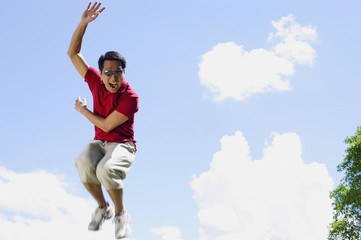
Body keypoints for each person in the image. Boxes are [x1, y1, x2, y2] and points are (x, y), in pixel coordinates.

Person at [67, 2, 138, 239]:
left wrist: (83, 111)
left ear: (123, 73)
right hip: (100, 144)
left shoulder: (130, 97)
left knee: (106, 170)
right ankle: (103, 207)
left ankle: (120, 214)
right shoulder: (95, 82)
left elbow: (107, 125)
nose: (113, 77)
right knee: (84, 165)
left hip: (123, 144)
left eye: (118, 72)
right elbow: (73, 54)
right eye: (108, 72)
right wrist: (83, 24)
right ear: (102, 74)